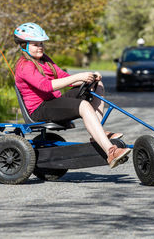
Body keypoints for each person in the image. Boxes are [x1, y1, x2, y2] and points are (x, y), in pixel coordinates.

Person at [13, 23, 131, 168]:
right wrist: (77, 77)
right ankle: (111, 152)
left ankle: (97, 134)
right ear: (24, 45)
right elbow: (46, 86)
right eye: (35, 44)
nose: (40, 47)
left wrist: (90, 78)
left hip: (54, 102)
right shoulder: (24, 66)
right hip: (39, 109)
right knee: (84, 105)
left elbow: (64, 77)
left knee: (97, 85)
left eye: (42, 43)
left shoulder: (45, 60)